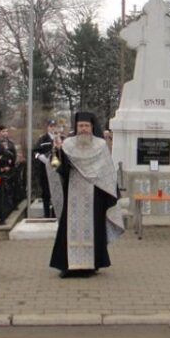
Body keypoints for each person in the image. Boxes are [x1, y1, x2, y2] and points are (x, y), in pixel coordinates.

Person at [49, 112, 124, 277]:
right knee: (70, 228)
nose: (83, 129)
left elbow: (107, 171)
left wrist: (109, 193)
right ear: (76, 127)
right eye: (80, 126)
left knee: (94, 229)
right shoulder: (67, 144)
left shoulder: (101, 145)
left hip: (95, 193)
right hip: (73, 193)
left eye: (86, 126)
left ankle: (92, 264)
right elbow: (60, 169)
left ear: (92, 127)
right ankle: (68, 265)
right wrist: (58, 152)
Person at [35, 120, 59, 218]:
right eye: (51, 126)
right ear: (47, 127)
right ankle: (46, 214)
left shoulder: (60, 138)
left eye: (54, 126)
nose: (52, 128)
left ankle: (55, 213)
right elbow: (35, 152)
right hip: (45, 170)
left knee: (56, 193)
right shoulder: (42, 139)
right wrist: (41, 158)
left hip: (57, 170)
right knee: (46, 193)